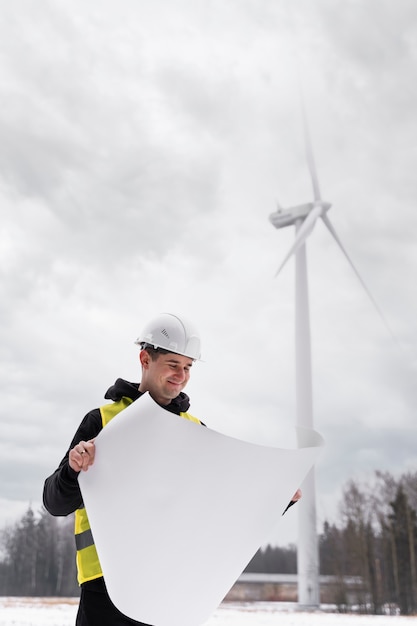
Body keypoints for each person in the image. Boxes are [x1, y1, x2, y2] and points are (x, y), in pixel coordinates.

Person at [43, 312, 301, 626]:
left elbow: (224, 511)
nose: (182, 374)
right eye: (173, 364)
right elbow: (56, 503)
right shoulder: (102, 422)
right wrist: (72, 469)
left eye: (188, 366)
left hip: (171, 590)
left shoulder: (196, 431)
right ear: (145, 359)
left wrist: (280, 499)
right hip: (107, 590)